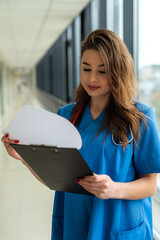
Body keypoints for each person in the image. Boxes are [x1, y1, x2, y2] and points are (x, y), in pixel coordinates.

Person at [1, 29, 160, 240]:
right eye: (86, 69)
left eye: (102, 71)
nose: (92, 78)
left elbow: (149, 185)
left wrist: (114, 189)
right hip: (75, 221)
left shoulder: (141, 117)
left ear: (117, 71)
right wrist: (25, 157)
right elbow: (54, 180)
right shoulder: (66, 115)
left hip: (118, 223)